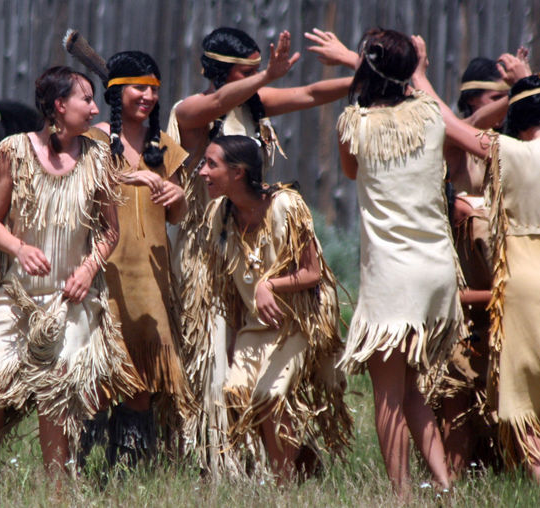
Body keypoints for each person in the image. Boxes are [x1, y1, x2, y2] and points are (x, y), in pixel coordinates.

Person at [166, 26, 355, 475]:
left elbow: (310, 93)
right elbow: (216, 104)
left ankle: (274, 464)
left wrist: (369, 77)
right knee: (216, 362)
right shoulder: (192, 109)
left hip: (256, 255)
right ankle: (223, 466)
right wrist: (267, 73)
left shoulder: (254, 105)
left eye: (259, 70)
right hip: (207, 257)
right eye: (246, 71)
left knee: (260, 366)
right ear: (219, 68)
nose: (258, 79)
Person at [0, 66, 143, 475]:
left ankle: (57, 491)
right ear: (59, 105)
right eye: (85, 99)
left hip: (71, 299)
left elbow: (109, 231)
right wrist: (19, 247)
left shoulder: (97, 156)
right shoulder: (13, 151)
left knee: (58, 386)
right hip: (14, 296)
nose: (93, 107)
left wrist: (88, 270)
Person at [334, 28, 467, 495]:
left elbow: (352, 171)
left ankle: (400, 496)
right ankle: (444, 486)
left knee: (387, 394)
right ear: (409, 69)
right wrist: (421, 71)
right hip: (435, 269)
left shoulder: (355, 123)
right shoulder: (432, 114)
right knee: (411, 390)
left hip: (392, 272)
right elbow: (424, 95)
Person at [412, 35, 540, 483]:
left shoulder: (514, 153)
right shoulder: (503, 151)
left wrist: (421, 76)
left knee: (522, 396)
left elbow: (452, 122)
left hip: (519, 285)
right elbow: (457, 126)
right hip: (498, 293)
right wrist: (525, 86)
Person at [190, 134, 350, 481]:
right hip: (256, 324)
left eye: (211, 164)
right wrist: (231, 338)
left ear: (238, 172)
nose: (202, 171)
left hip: (300, 321)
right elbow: (227, 288)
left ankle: (282, 486)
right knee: (236, 392)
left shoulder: (285, 206)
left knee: (272, 396)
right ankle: (297, 463)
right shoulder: (219, 214)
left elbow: (313, 272)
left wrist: (269, 284)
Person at [86, 50, 191, 464]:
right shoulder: (91, 141)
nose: (146, 96)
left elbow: (177, 215)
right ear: (116, 92)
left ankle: (127, 467)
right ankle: (81, 464)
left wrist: (178, 195)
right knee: (95, 368)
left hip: (150, 277)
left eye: (153, 89)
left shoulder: (164, 146)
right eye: (137, 88)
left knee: (142, 374)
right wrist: (132, 175)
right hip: (100, 271)